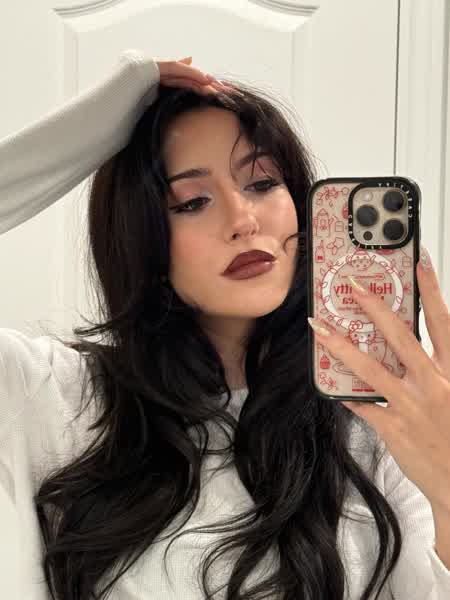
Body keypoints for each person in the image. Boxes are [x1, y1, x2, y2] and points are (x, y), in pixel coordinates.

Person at [0, 49, 449, 600]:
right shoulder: (53, 396)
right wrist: (89, 129)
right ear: (143, 239)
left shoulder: (378, 423)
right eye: (192, 202)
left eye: (262, 183)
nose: (243, 219)